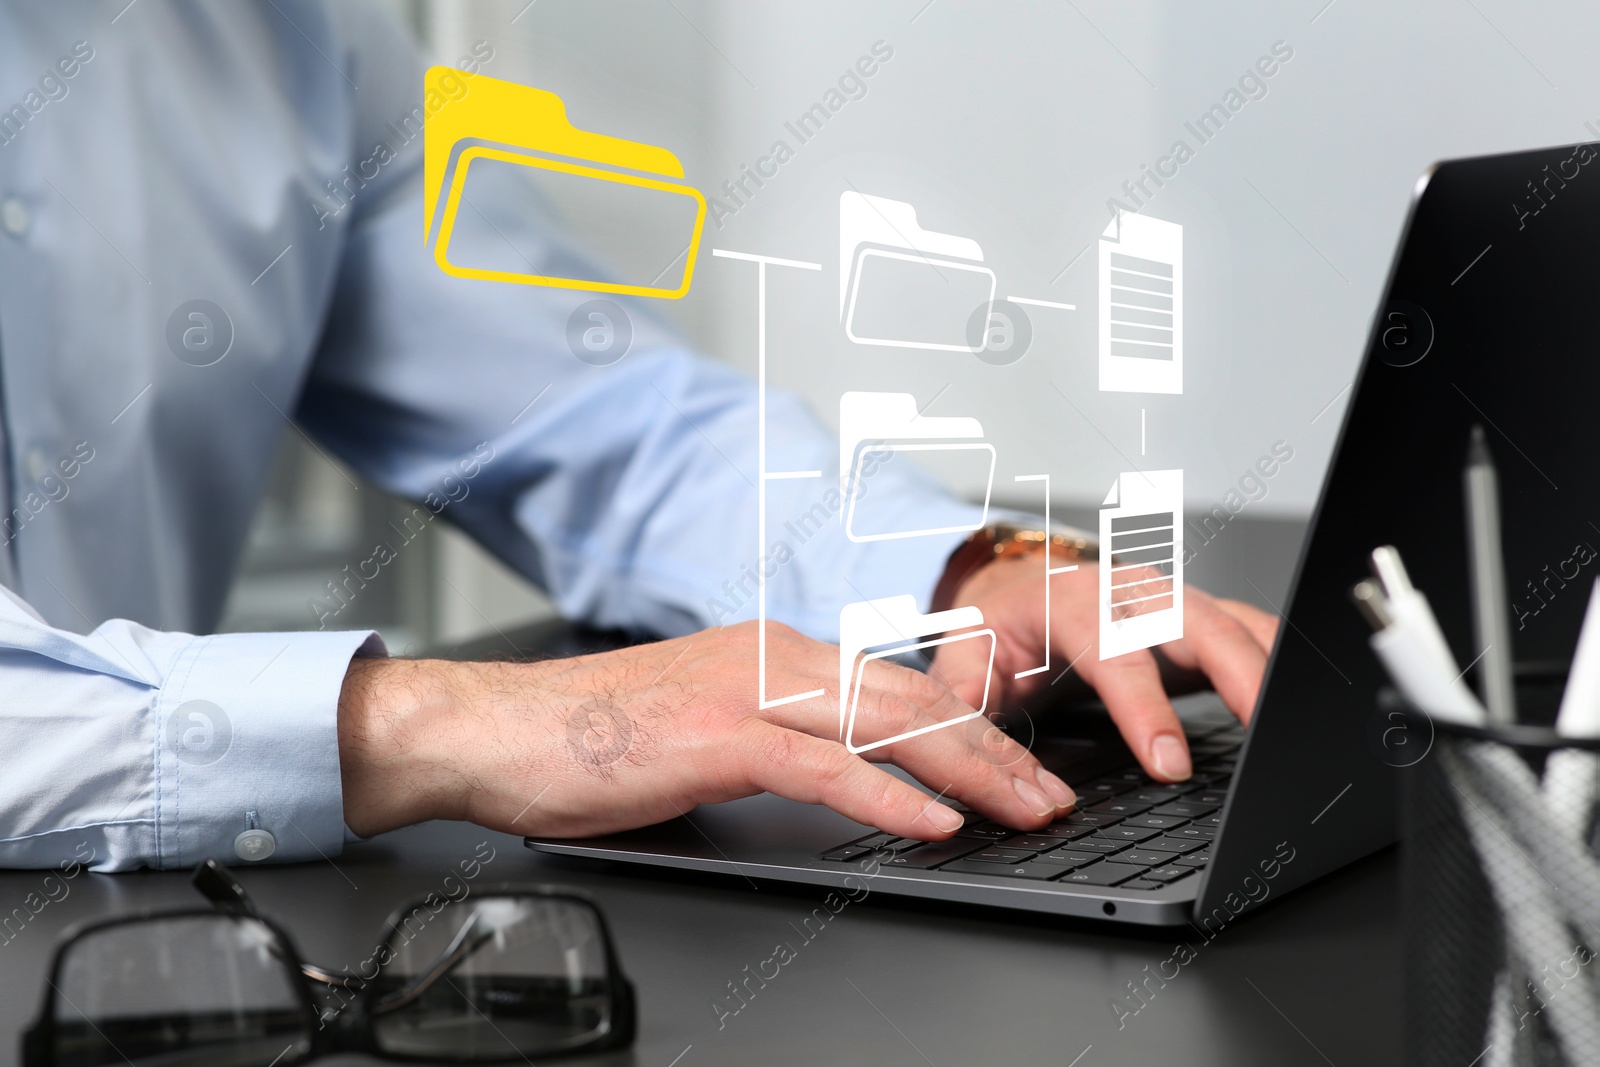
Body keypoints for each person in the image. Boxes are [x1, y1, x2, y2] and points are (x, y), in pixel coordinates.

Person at [0, 2, 1274, 871]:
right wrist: (423, 723)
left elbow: (588, 417)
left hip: (142, 933)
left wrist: (959, 572)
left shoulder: (276, 35)